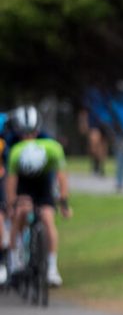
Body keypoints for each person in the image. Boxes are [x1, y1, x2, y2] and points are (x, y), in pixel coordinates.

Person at [5, 106, 72, 287]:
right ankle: (15, 259)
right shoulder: (14, 149)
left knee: (48, 218)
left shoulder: (51, 147)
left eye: (32, 133)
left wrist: (64, 203)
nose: (28, 138)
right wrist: (11, 205)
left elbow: (62, 177)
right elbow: (11, 181)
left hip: (43, 183)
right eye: (24, 134)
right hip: (23, 183)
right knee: (20, 214)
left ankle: (51, 267)